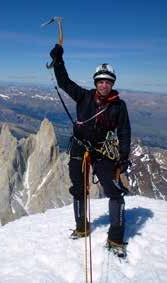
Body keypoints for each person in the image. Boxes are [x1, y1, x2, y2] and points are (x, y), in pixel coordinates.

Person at [50, 44, 131, 257]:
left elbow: (124, 132)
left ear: (112, 83)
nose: (104, 85)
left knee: (114, 191)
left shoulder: (118, 106)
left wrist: (123, 158)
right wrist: (58, 61)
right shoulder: (84, 96)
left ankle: (116, 238)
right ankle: (82, 227)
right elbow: (64, 82)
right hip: (79, 148)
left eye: (108, 82)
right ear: (96, 83)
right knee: (78, 188)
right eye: (101, 81)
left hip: (103, 152)